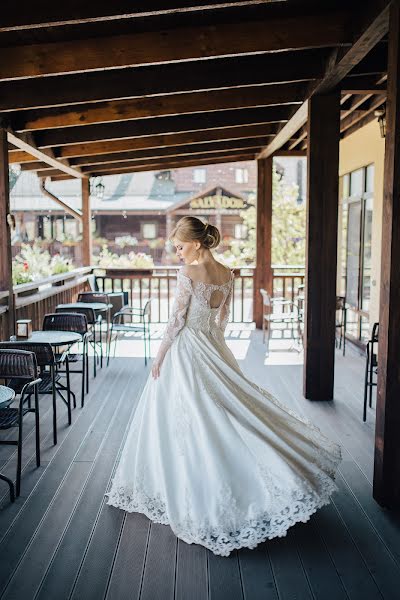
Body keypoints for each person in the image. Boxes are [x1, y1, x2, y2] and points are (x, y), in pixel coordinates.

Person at [106, 216, 341, 557]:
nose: (177, 252)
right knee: (226, 406)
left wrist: (159, 357)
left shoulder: (187, 274)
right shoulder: (227, 273)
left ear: (197, 243)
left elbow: (175, 321)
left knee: (194, 413)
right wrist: (216, 345)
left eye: (180, 246)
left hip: (186, 349)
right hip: (212, 344)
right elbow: (223, 319)